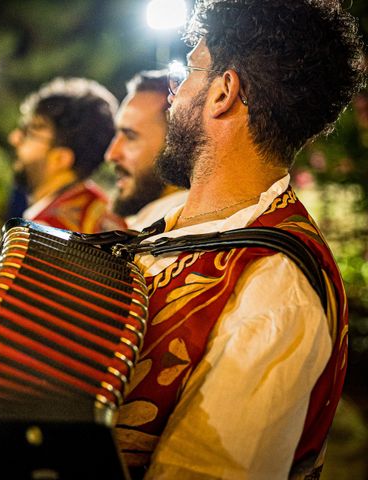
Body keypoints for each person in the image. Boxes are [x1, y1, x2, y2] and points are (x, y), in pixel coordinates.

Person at [114, 0, 365, 478]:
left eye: (189, 70)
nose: (175, 93)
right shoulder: (172, 227)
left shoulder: (274, 292)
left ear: (224, 92)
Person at [8, 77, 125, 232]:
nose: (14, 138)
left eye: (29, 133)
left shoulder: (42, 235)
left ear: (60, 158)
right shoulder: (107, 216)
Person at [105, 70, 187, 230]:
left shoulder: (168, 239)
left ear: (177, 145)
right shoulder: (148, 228)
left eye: (130, 137)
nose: (111, 155)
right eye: (117, 135)